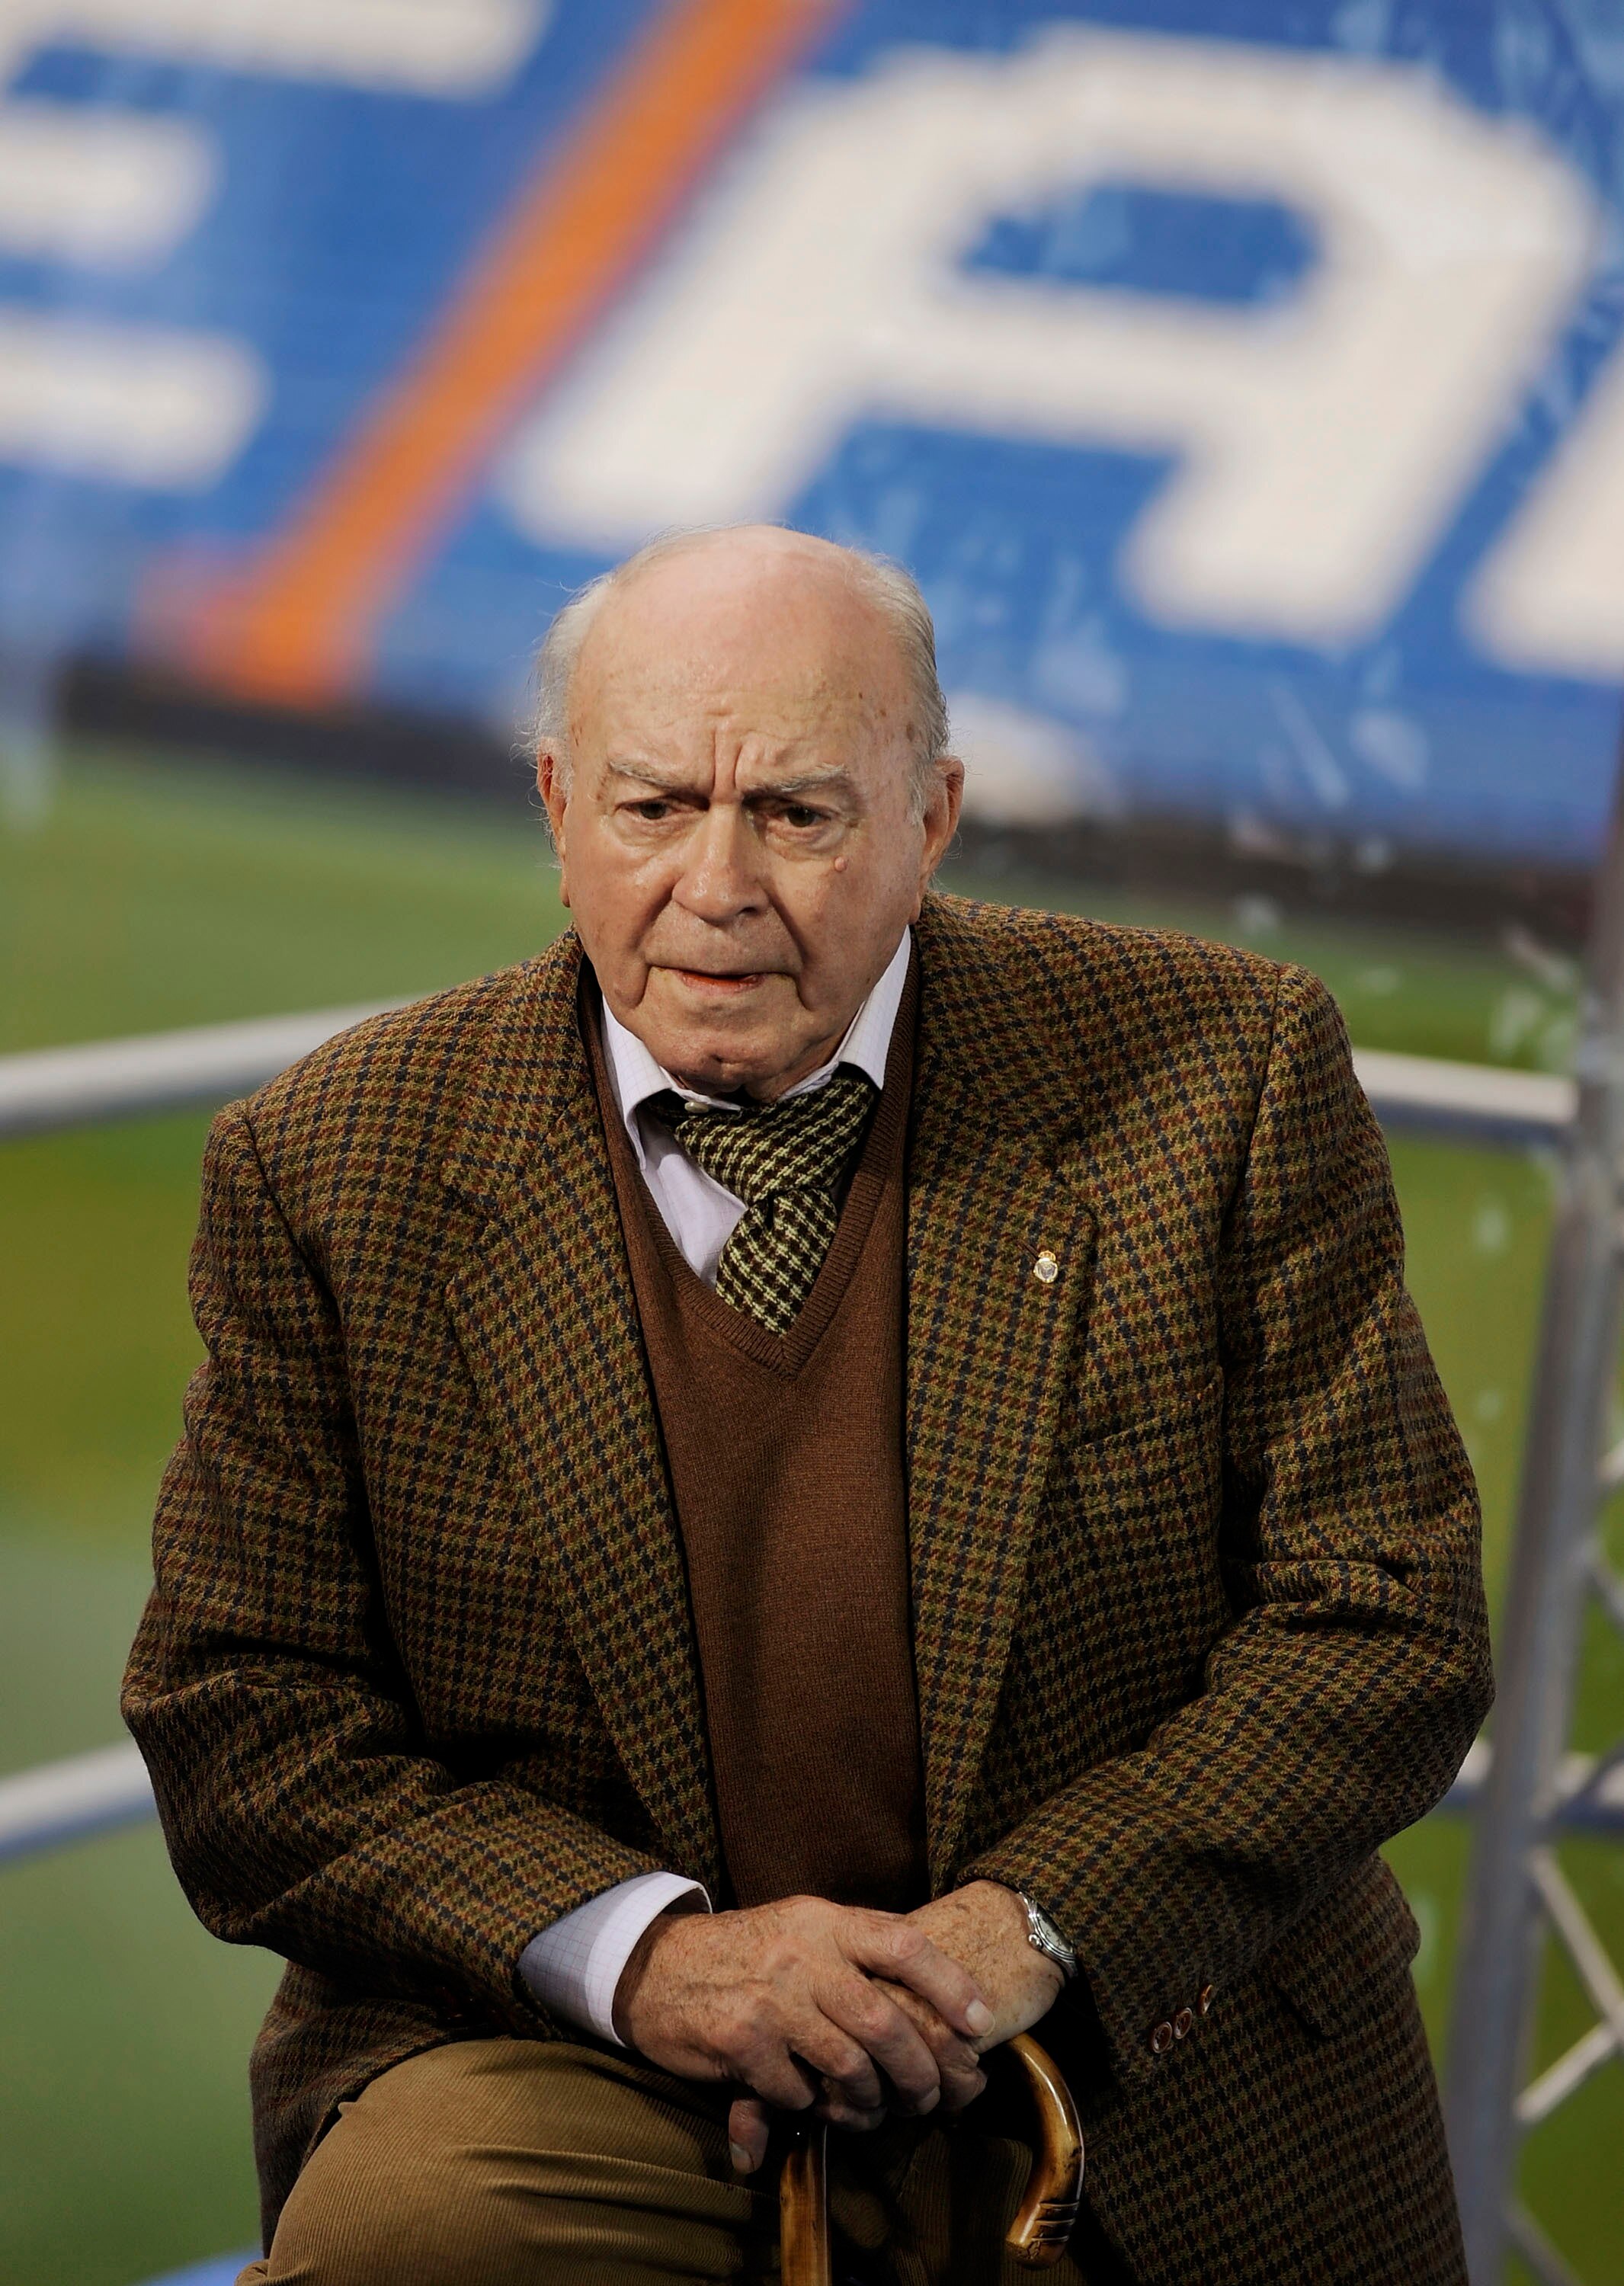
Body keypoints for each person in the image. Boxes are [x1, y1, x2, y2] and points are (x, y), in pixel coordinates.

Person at [123, 525, 1492, 2286]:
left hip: (1137, 2048)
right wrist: (649, 1962)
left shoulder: (1223, 1072)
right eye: (650, 808)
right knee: (410, 2238)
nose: (716, 883)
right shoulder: (332, 1161)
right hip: (577, 2065)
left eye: (795, 811)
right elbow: (243, 1717)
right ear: (554, 808)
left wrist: (1033, 1928)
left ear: (932, 818)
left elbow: (1381, 1618)